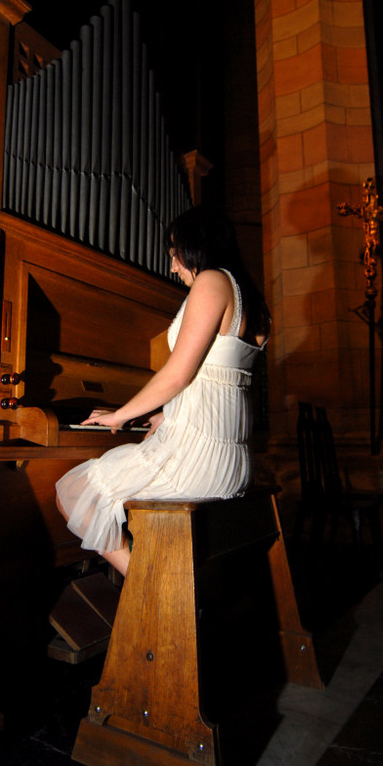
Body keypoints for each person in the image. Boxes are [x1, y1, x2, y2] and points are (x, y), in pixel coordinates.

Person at [55, 207, 270, 578]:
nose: (173, 265)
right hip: (232, 463)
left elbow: (177, 375)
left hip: (196, 460)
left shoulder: (212, 282)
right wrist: (165, 413)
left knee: (73, 494)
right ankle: (159, 583)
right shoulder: (251, 300)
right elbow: (219, 378)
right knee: (104, 492)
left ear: (195, 245)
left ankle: (152, 594)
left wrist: (119, 415)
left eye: (174, 252)